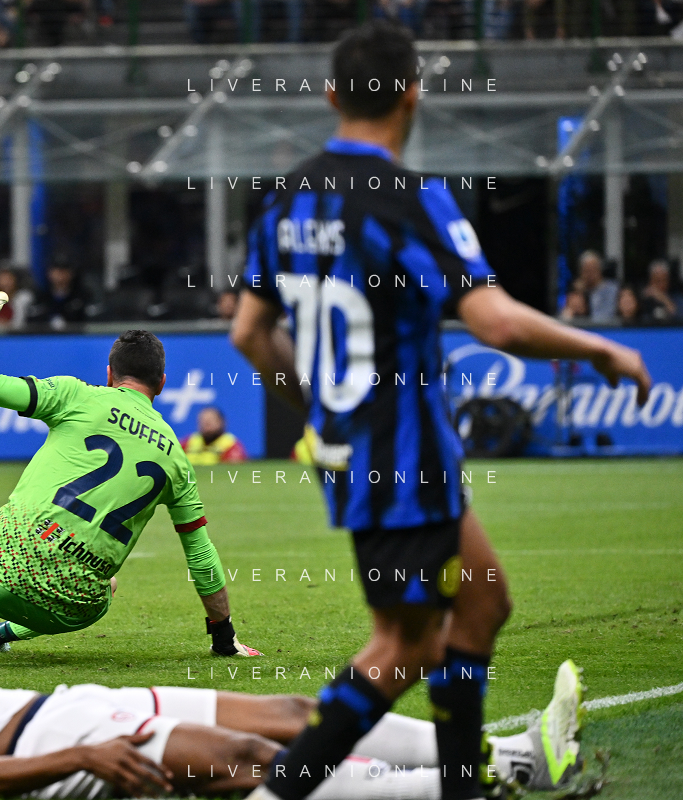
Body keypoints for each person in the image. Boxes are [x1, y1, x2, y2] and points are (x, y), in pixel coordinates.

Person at [229, 23, 650, 800]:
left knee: (483, 603)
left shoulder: (283, 200)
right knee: (403, 647)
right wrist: (597, 347)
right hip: (403, 456)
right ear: (412, 94)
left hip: (362, 452)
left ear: (331, 95)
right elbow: (496, 323)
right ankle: (276, 793)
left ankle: (461, 789)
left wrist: (322, 407)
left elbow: (248, 333)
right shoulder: (411, 198)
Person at [0, 266, 258, 672]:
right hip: (72, 601)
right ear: (162, 383)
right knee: (108, 586)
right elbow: (201, 556)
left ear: (110, 374)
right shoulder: (177, 458)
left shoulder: (78, 395)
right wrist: (223, 635)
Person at [0, 625, 587, 799]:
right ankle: (503, 771)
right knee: (250, 763)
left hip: (74, 712)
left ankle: (500, 753)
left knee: (292, 712)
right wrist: (78, 757)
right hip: (66, 739)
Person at [28, 261, 89, 329]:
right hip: (45, 334)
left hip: (75, 334)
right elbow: (31, 322)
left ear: (71, 274)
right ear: (49, 274)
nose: (60, 276)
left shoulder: (81, 297)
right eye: (57, 272)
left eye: (64, 272)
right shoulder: (41, 297)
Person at [183, 406, 248, 466]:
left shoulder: (230, 444)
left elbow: (233, 468)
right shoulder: (189, 441)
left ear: (221, 422)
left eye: (210, 421)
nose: (206, 425)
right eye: (202, 421)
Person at [574, 250, 618, 322]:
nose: (590, 274)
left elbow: (607, 316)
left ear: (599, 269)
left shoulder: (612, 289)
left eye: (593, 269)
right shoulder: (577, 291)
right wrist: (580, 294)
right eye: (586, 270)